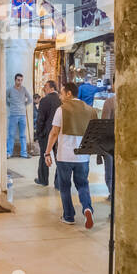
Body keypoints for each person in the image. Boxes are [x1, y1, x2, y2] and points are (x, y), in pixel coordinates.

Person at [45, 80, 95, 228]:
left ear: (68, 93)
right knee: (83, 184)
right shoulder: (90, 110)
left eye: (61, 94)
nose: (60, 97)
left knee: (65, 186)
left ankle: (68, 216)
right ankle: (87, 208)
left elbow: (54, 133)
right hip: (83, 156)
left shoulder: (61, 110)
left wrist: (47, 153)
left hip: (65, 155)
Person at [33, 80, 60, 187]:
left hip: (46, 133)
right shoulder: (61, 99)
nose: (44, 89)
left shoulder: (45, 100)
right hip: (59, 132)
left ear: (52, 88)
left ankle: (43, 180)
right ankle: (58, 182)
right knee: (59, 157)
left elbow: (40, 119)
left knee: (44, 155)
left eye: (46, 86)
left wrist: (38, 133)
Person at [6, 73, 32, 158]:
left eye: (21, 80)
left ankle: (23, 153)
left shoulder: (24, 89)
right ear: (15, 80)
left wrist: (24, 105)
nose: (20, 82)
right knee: (11, 134)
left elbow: (30, 99)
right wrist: (11, 105)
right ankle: (9, 153)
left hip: (22, 115)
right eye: (18, 80)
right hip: (13, 114)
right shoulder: (10, 90)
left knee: (23, 135)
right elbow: (5, 99)